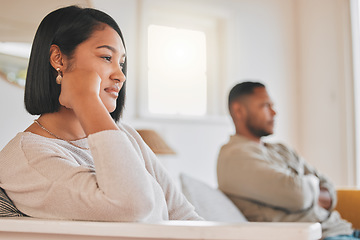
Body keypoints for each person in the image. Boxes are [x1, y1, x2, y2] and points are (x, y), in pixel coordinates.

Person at [0, 5, 202, 222]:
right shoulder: (27, 159)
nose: (121, 76)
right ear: (58, 59)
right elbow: (132, 206)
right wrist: (85, 99)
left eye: (121, 63)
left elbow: (184, 216)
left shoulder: (126, 136)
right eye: (107, 57)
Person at [217, 81, 359, 239]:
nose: (274, 112)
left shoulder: (281, 149)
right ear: (239, 111)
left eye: (272, 105)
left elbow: (329, 189)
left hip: (344, 229)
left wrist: (305, 188)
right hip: (322, 237)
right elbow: (299, 196)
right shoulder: (235, 157)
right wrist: (310, 187)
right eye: (265, 106)